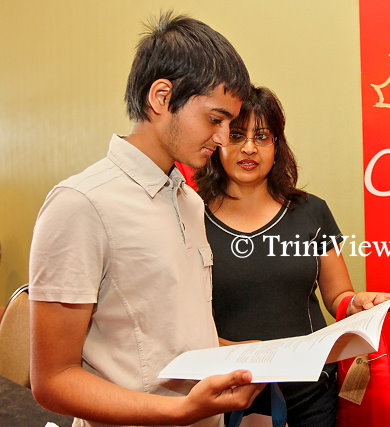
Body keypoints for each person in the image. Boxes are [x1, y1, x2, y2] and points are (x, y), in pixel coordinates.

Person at [28, 12, 264, 427]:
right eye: (215, 119)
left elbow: (167, 336)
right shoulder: (81, 203)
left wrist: (243, 355)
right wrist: (182, 409)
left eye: (231, 123)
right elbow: (53, 380)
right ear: (161, 97)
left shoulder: (189, 202)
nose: (223, 139)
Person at [195, 86, 390, 426]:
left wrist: (359, 304)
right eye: (237, 135)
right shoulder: (191, 218)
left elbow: (338, 295)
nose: (249, 147)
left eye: (262, 137)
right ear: (217, 140)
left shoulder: (311, 212)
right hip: (222, 392)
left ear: (277, 146)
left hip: (309, 396)